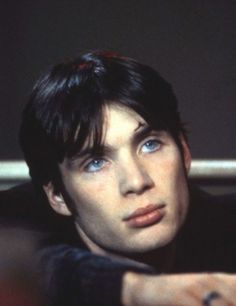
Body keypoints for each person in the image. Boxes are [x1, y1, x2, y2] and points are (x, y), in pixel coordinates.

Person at [2, 50, 236, 306]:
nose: (136, 182)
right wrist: (139, 289)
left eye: (150, 145)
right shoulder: (19, 223)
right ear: (58, 196)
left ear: (184, 150)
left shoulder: (221, 225)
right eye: (95, 163)